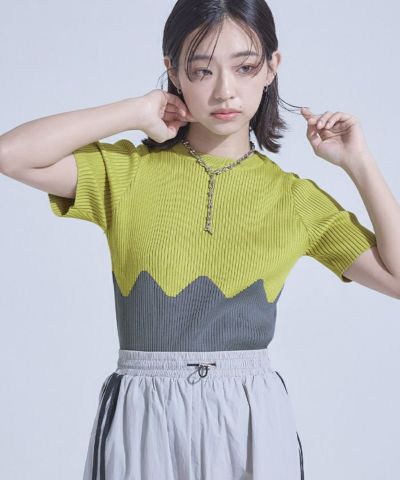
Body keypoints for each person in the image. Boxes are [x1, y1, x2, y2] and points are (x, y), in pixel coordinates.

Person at [1, 1, 399, 479]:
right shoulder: (128, 173)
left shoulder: (294, 200)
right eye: (202, 70)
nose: (225, 90)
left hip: (250, 419)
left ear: (272, 67)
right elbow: (12, 154)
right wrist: (135, 111)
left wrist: (359, 163)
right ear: (173, 71)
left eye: (245, 67)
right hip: (144, 414)